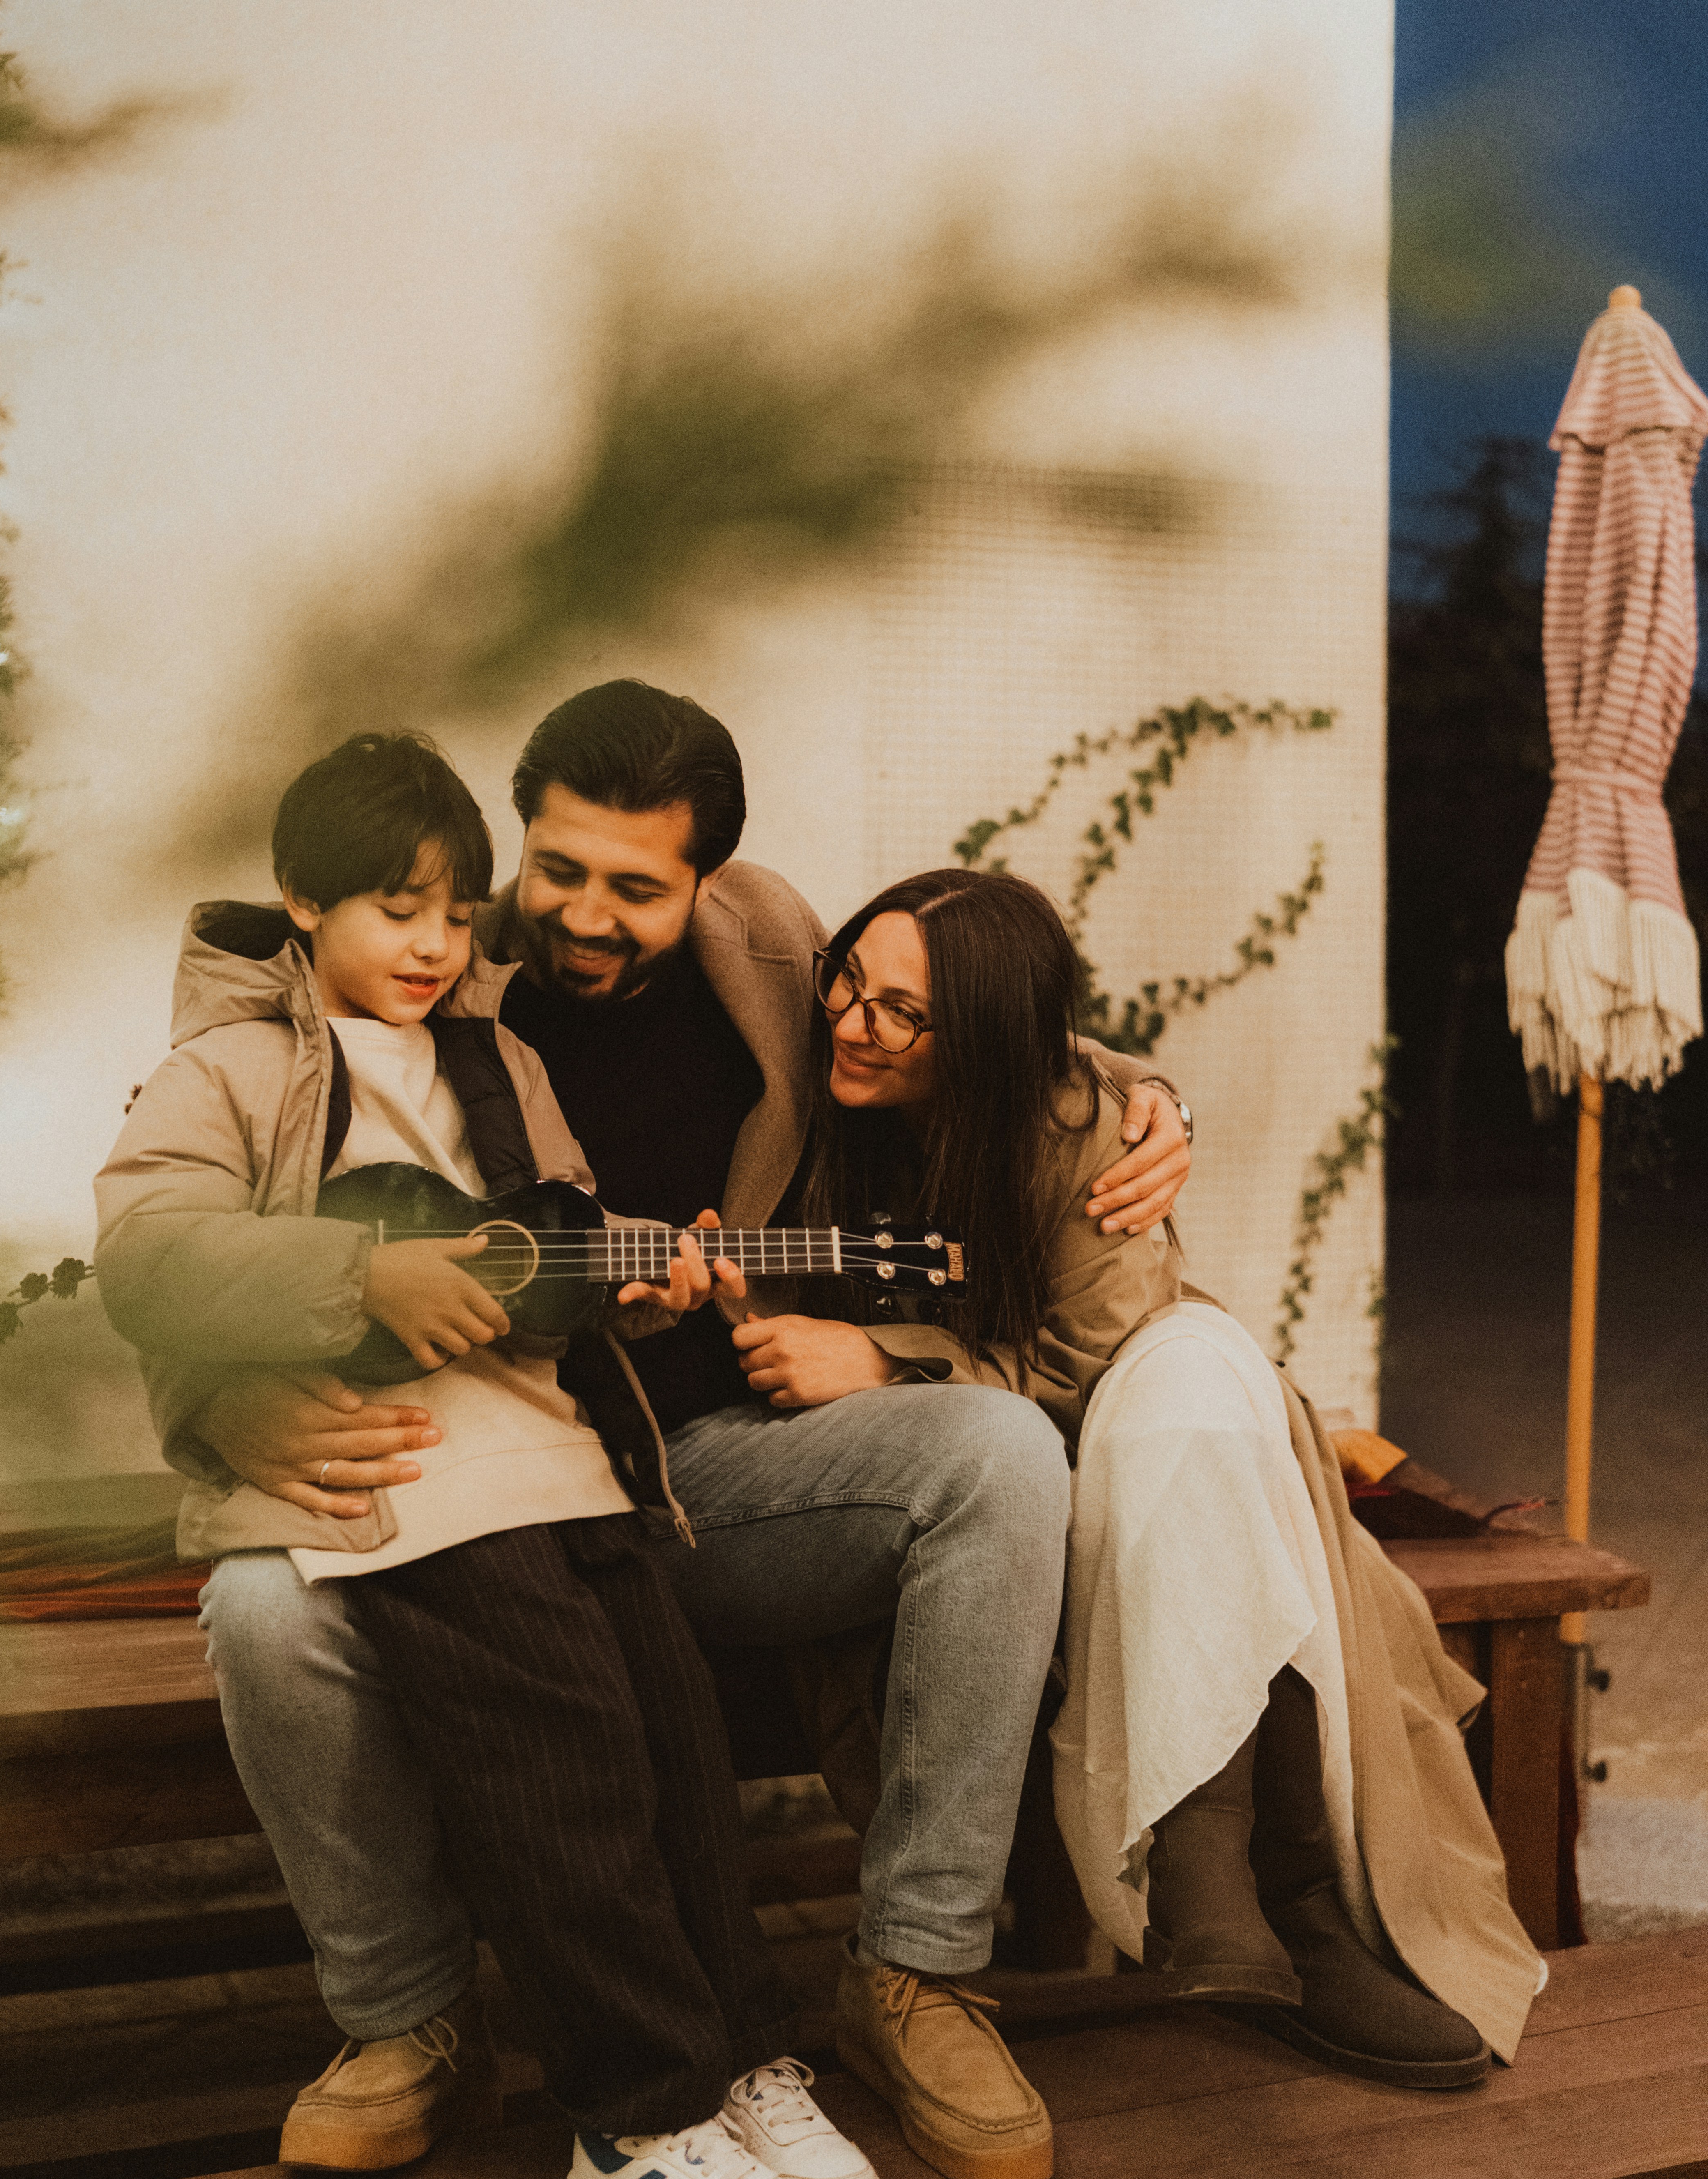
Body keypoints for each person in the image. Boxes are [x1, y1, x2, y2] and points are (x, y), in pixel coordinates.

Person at [180, 682, 1196, 2179]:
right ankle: (406, 2020)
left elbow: (970, 1012)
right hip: (452, 1461)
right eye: (559, 871)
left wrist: (1133, 1097)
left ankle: (915, 1973)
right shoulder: (408, 948)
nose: (586, 917)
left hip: (705, 1473)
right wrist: (216, 1401)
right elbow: (179, 1218)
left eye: (637, 889)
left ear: (707, 880)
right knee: (263, 1608)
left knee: (998, 1453)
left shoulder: (769, 949)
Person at [94, 731, 876, 2179]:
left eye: (457, 915)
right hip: (412, 1477)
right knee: (562, 1769)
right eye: (397, 912)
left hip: (562, 1465)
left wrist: (640, 1285)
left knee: (670, 1737)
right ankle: (634, 2125)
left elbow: (552, 1253)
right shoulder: (226, 1071)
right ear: (302, 900)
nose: (436, 947)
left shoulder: (495, 1062)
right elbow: (148, 1257)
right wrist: (357, 1275)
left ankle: (732, 2053)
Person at [645, 866, 1542, 2101]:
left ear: (988, 1042)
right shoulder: (812, 1080)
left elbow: (1086, 1361)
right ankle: (1262, 1898)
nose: (854, 1021)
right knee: (1188, 1409)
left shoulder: (1077, 1136)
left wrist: (887, 1358)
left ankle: (1251, 1891)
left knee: (1194, 1373)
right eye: (848, 982)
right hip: (954, 1498)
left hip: (1115, 1449)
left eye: (904, 1013)